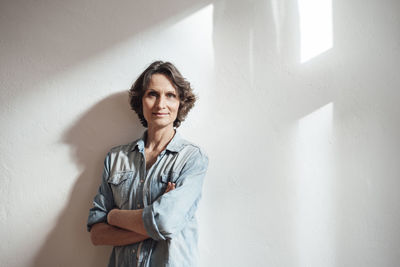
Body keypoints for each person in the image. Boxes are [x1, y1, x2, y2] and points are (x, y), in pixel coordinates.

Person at [87, 61, 209, 267]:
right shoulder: (116, 158)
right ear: (141, 101)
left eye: (170, 95)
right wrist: (155, 221)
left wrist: (114, 216)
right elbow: (98, 235)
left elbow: (165, 223)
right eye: (152, 94)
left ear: (180, 102)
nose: (161, 104)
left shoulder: (192, 158)